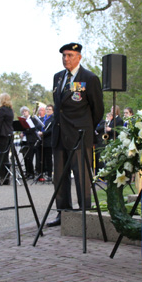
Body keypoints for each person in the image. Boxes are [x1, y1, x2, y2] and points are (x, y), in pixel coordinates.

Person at [48, 43, 103, 227]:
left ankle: (84, 214)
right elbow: (59, 107)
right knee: (60, 178)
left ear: (79, 57)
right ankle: (63, 213)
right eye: (64, 55)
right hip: (59, 135)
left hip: (79, 136)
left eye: (70, 55)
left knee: (82, 177)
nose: (66, 59)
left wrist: (85, 128)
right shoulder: (58, 77)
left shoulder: (89, 78)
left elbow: (98, 110)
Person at [19, 105, 41, 179]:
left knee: (30, 157)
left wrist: (25, 132)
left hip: (31, 140)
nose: (24, 113)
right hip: (24, 141)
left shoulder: (32, 119)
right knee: (25, 157)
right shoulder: (22, 120)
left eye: (25, 111)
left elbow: (34, 129)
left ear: (28, 112)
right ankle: (27, 172)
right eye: (23, 112)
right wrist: (21, 134)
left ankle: (31, 173)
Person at [37, 105, 53, 181]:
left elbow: (52, 130)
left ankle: (49, 174)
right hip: (41, 141)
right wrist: (38, 132)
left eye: (50, 109)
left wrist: (44, 133)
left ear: (53, 110)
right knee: (41, 158)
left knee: (48, 158)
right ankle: (41, 174)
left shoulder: (53, 119)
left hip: (48, 140)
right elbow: (39, 126)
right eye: (47, 109)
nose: (48, 110)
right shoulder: (44, 118)